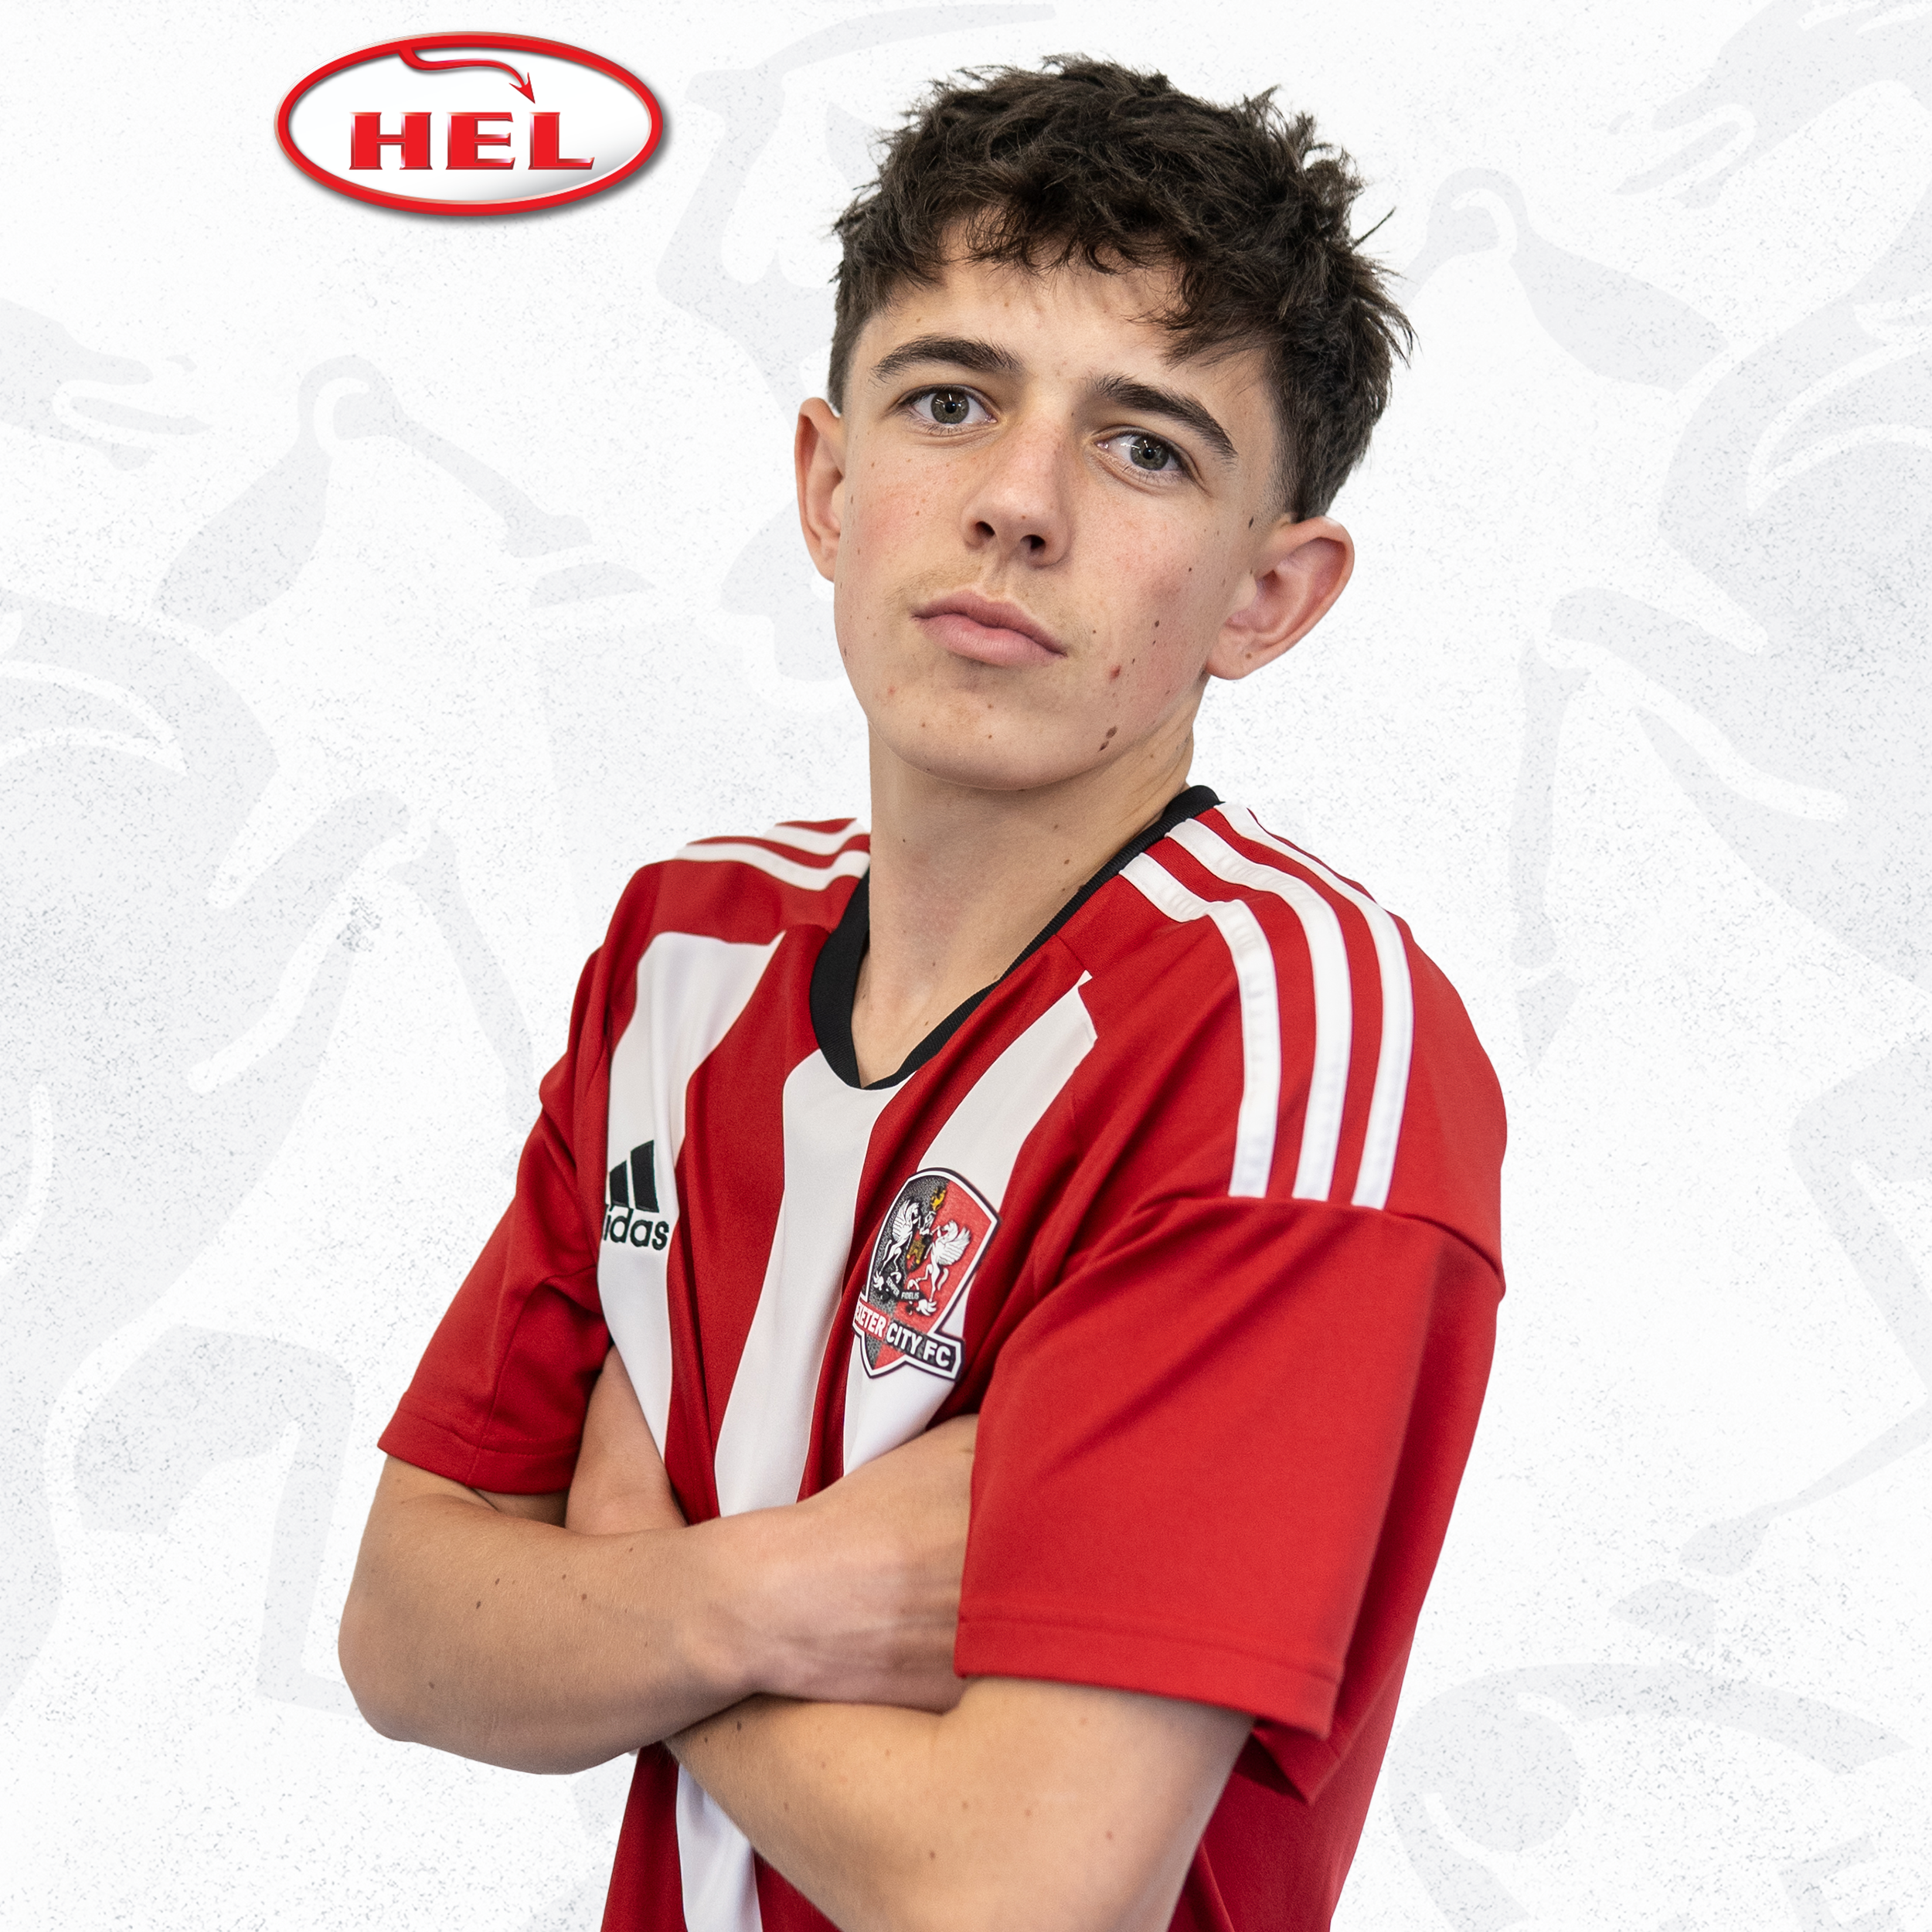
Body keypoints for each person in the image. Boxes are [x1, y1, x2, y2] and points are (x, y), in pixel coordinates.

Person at [338, 56, 1506, 1932]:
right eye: (949, 402)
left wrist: (624, 1570)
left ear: (1267, 595)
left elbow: (1017, 1890)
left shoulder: (1289, 1029)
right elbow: (404, 1629)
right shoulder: (683, 954)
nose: (1014, 505)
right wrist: (757, 1589)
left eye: (1144, 446)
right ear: (828, 480)